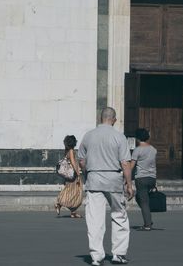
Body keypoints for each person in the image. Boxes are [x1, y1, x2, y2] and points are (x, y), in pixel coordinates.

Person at [78, 107, 134, 266]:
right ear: (114, 119)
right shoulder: (119, 137)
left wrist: (87, 173)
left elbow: (82, 161)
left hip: (94, 179)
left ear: (100, 118)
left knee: (95, 220)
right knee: (119, 216)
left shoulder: (88, 136)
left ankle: (96, 257)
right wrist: (129, 184)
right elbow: (125, 162)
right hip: (114, 180)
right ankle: (119, 254)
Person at [130, 128, 157, 231]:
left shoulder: (137, 150)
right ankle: (148, 218)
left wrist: (126, 178)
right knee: (140, 198)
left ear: (137, 138)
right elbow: (154, 165)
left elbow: (132, 165)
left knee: (144, 201)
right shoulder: (153, 149)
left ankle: (147, 225)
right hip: (152, 177)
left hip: (141, 178)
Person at [55, 135, 83, 218]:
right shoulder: (71, 151)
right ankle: (59, 203)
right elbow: (73, 162)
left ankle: (73, 212)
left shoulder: (67, 150)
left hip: (69, 175)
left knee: (71, 191)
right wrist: (78, 174)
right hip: (73, 175)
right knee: (76, 192)